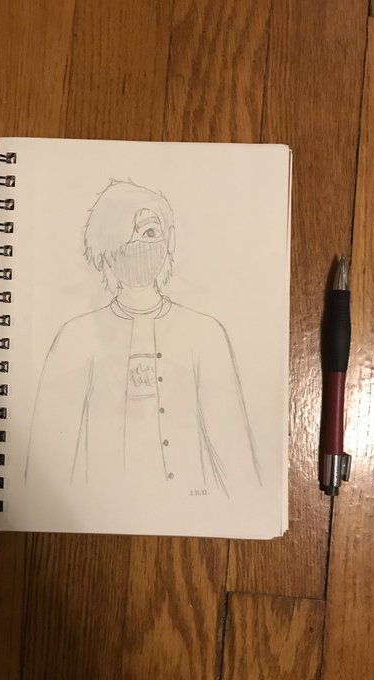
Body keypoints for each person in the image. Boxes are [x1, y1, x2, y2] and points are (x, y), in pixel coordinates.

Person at [25, 180, 260, 499]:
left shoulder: (205, 333)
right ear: (103, 251)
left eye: (150, 232)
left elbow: (235, 456)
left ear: (168, 241)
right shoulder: (75, 338)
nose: (139, 245)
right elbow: (48, 463)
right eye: (126, 236)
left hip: (189, 506)